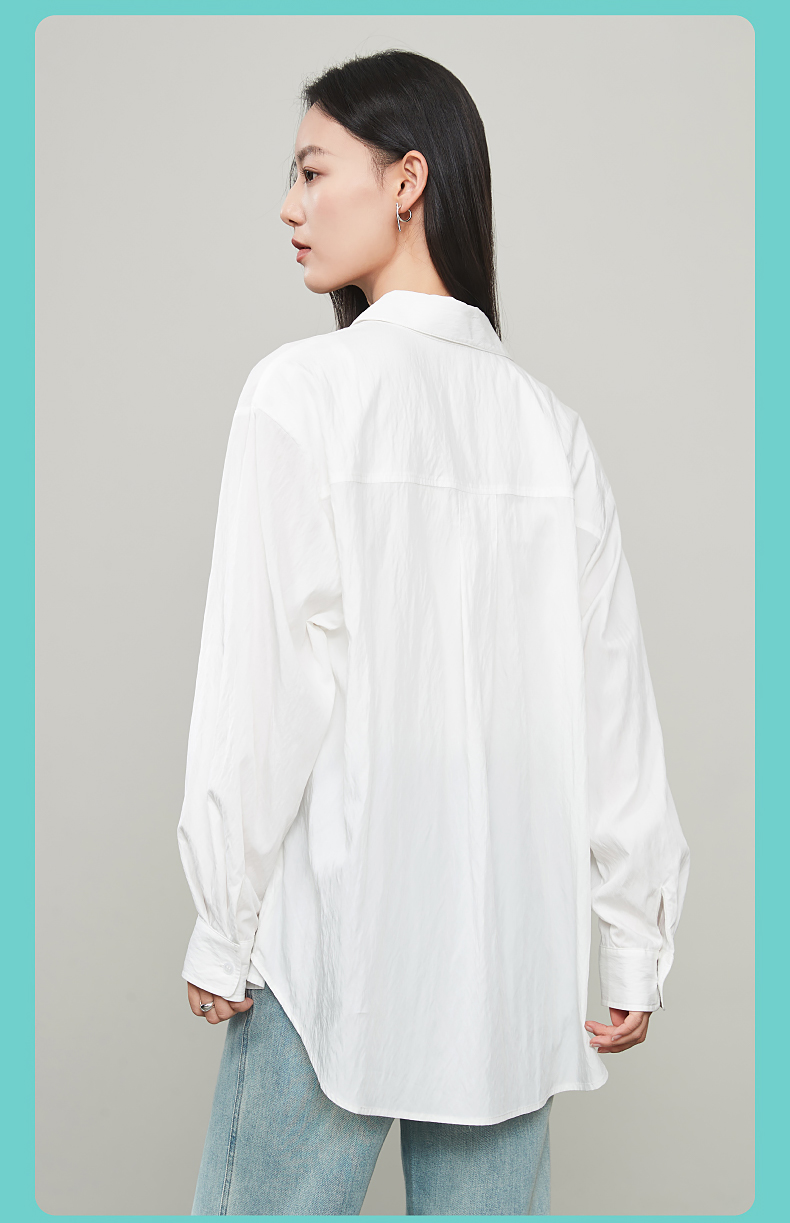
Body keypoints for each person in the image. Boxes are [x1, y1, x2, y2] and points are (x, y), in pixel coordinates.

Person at [177, 49, 691, 1217]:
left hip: (334, 952)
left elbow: (266, 684)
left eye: (314, 171)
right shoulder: (551, 432)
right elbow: (612, 708)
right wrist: (631, 937)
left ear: (407, 179)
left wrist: (223, 917)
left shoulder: (303, 392)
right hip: (508, 968)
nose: (289, 205)